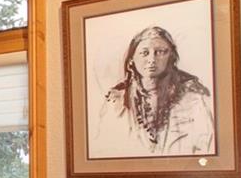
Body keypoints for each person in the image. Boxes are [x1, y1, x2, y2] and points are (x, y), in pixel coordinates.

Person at [91, 25, 215, 156]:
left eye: (160, 52)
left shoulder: (194, 99)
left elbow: (208, 147)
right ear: (131, 60)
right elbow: (102, 148)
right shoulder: (116, 102)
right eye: (144, 53)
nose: (152, 60)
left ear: (171, 57)